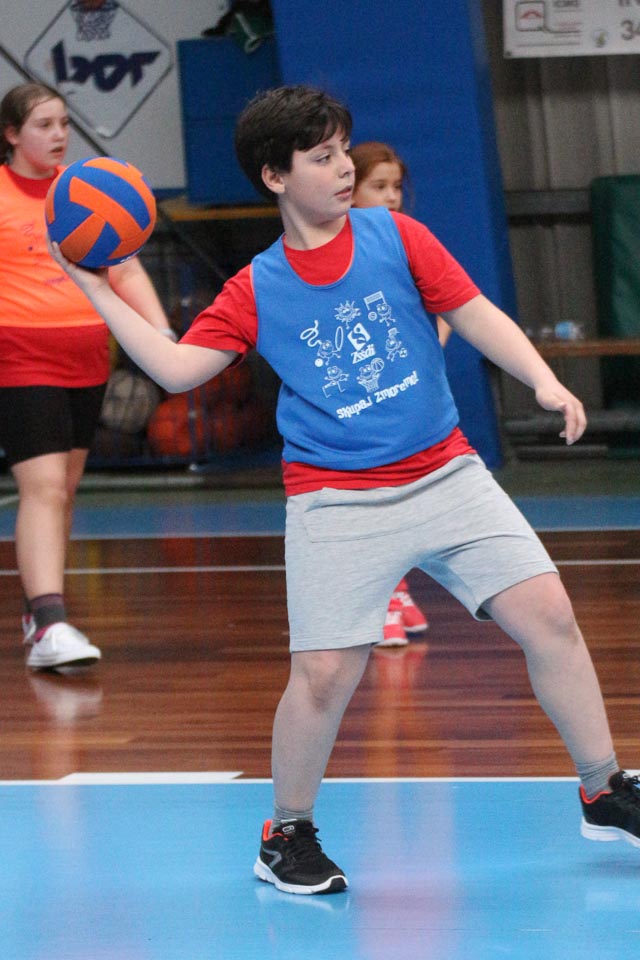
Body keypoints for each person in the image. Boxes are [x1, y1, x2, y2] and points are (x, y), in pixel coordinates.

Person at [48, 84, 640, 896]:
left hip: (446, 473)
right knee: (325, 678)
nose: (342, 169)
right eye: (321, 157)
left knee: (552, 617)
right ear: (274, 177)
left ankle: (603, 788)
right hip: (336, 500)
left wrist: (541, 379)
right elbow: (177, 369)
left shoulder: (396, 235)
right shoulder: (256, 288)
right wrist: (94, 288)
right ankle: (285, 834)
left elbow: (474, 312)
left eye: (342, 153)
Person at [0, 82, 174, 672]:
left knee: (64, 492)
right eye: (43, 125)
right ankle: (51, 624)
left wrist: (161, 334)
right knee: (45, 489)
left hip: (87, 357)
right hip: (20, 356)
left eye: (64, 123)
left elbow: (124, 269)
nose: (58, 135)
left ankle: (38, 611)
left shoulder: (81, 191)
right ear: (11, 134)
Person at [351, 140, 446, 647]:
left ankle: (398, 587)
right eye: (378, 186)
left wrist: (427, 357)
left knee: (408, 498)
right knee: (373, 499)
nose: (391, 197)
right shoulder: (340, 252)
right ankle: (383, 595)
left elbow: (451, 305)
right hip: (360, 407)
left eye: (396, 187)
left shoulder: (409, 242)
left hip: (410, 402)